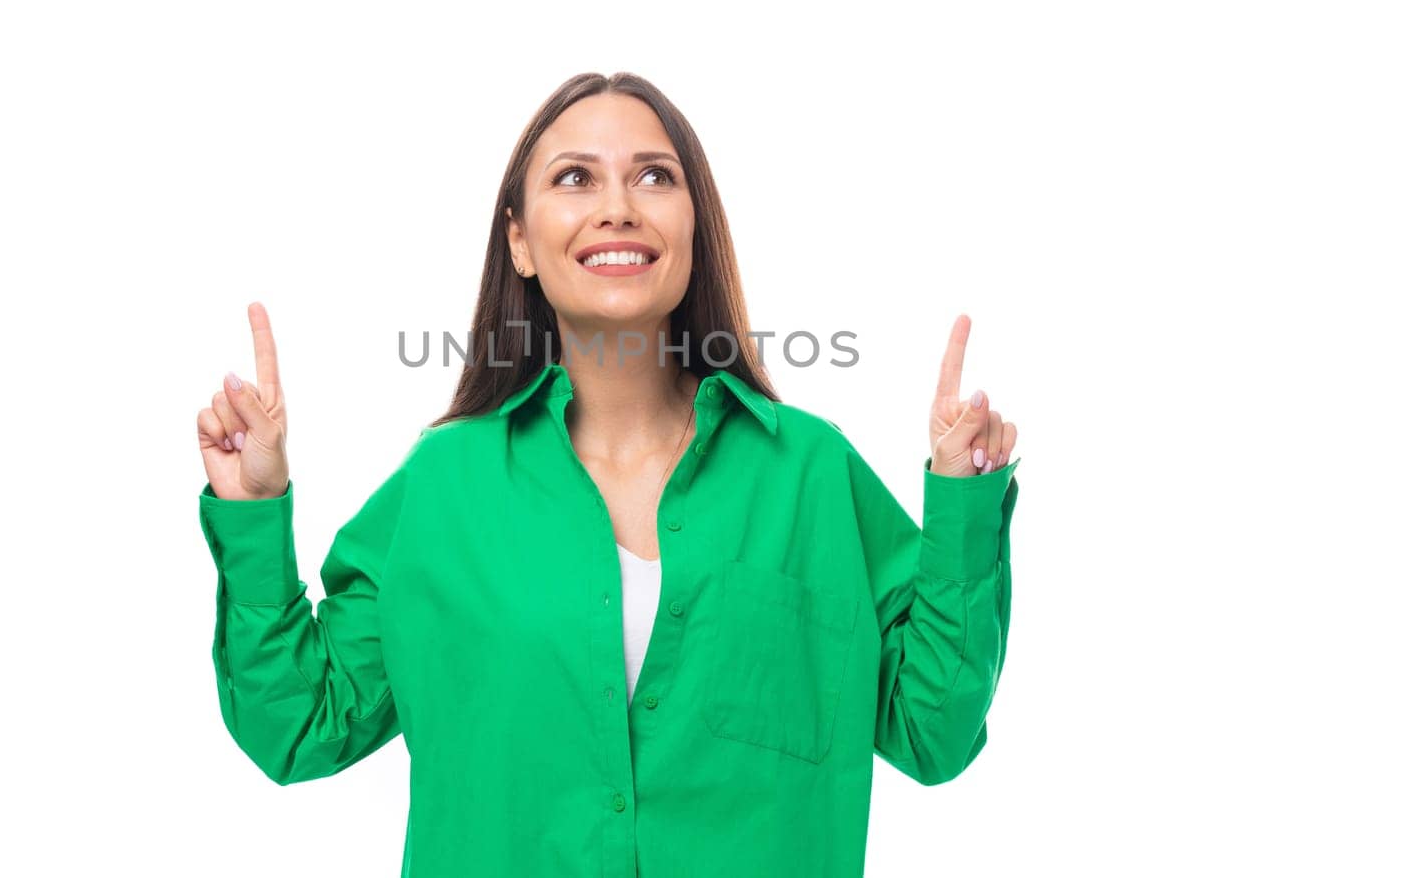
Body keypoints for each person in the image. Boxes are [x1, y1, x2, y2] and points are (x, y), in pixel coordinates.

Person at [194, 71, 1022, 877]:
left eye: (654, 176)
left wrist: (963, 505)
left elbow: (933, 729)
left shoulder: (809, 473)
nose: (617, 206)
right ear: (519, 238)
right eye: (575, 177)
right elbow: (300, 721)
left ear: (694, 227)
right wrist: (255, 512)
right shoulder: (444, 486)